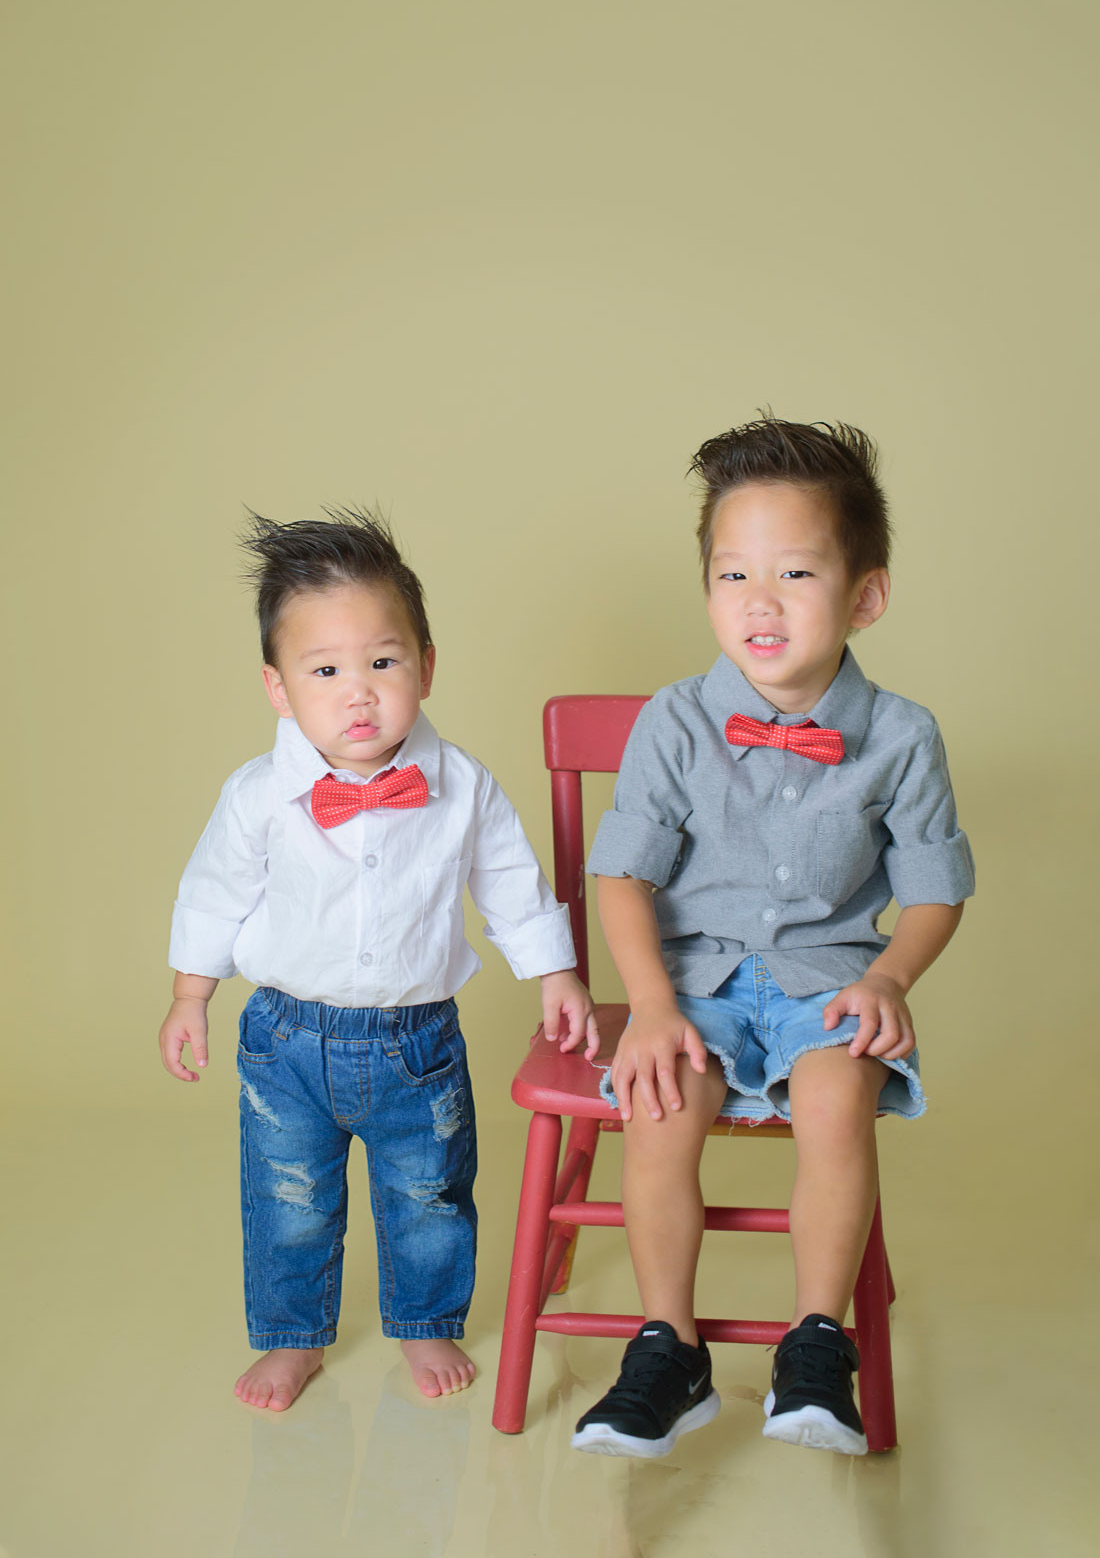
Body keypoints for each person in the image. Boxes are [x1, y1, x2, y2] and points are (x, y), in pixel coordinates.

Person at [572, 416, 973, 1459]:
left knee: (837, 1097)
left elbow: (934, 889)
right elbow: (621, 875)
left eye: (794, 572)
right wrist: (648, 1006)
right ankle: (669, 1347)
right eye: (732, 573)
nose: (759, 600)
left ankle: (816, 1341)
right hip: (691, 980)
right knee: (660, 1105)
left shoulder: (902, 736)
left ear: (864, 596)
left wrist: (890, 977)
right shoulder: (673, 721)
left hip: (827, 980)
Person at [160, 508, 596, 1412]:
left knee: (429, 1195)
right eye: (325, 671)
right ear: (279, 688)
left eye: (383, 664)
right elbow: (212, 895)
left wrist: (555, 974)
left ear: (426, 667)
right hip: (286, 1042)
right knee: (288, 1199)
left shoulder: (463, 786)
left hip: (417, 1043)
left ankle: (425, 1322)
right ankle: (292, 1338)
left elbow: (512, 885)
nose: (358, 694)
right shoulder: (258, 796)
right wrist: (189, 997)